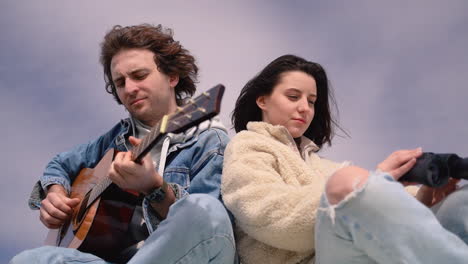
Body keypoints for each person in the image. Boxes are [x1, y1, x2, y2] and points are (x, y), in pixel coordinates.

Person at [11, 24, 236, 264]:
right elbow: (60, 164)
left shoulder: (210, 142)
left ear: (172, 76)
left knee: (206, 209)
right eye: (120, 83)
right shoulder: (114, 139)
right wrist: (55, 193)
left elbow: (210, 231)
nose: (129, 89)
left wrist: (154, 188)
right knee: (32, 258)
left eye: (139, 76)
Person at [221, 54, 468, 264]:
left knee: (458, 203)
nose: (305, 108)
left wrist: (425, 197)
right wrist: (376, 180)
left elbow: (379, 206)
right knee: (347, 183)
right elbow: (270, 218)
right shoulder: (246, 146)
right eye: (294, 97)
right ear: (262, 100)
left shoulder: (323, 167)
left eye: (312, 101)